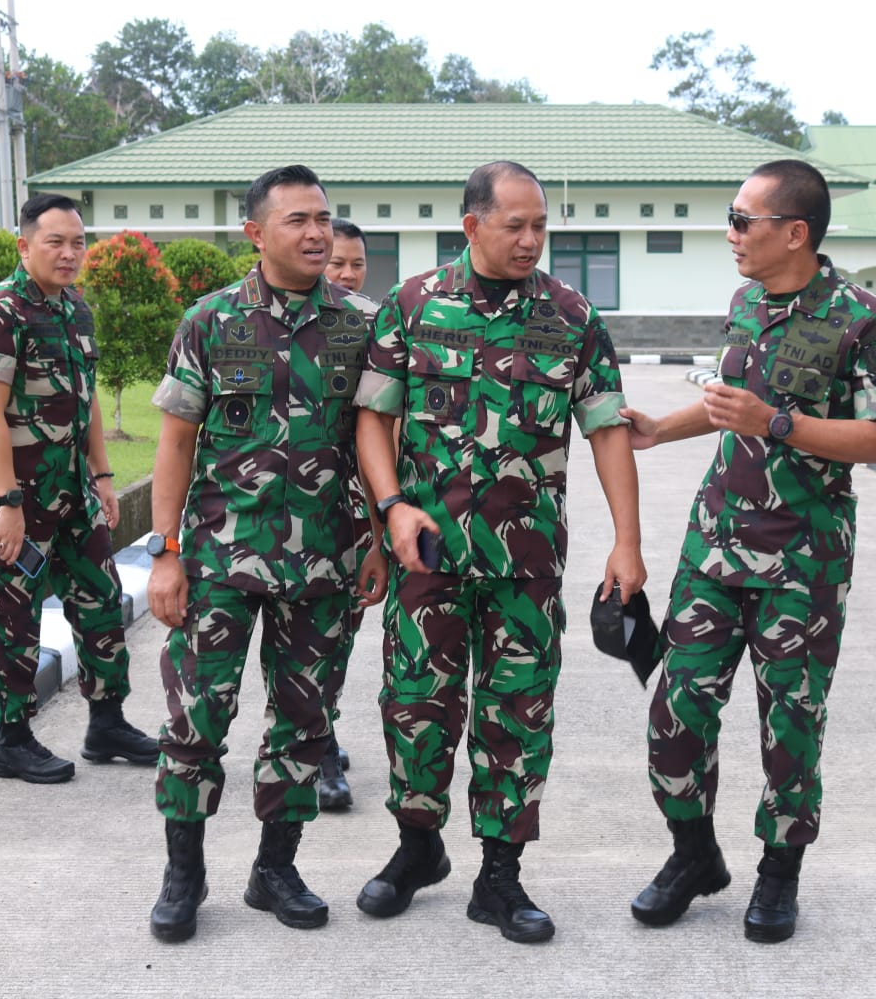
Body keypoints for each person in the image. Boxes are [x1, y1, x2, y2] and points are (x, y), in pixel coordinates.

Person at [352, 160, 646, 944]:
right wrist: (391, 505)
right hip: (428, 556)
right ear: (472, 224)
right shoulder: (411, 306)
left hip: (527, 560)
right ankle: (417, 850)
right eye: (515, 224)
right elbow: (372, 420)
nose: (531, 240)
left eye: (541, 225)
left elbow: (608, 428)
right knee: (416, 706)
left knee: (516, 712)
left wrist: (628, 541)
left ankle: (500, 875)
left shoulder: (571, 315)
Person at [620, 160, 876, 943]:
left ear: (795, 232)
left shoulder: (864, 318)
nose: (731, 234)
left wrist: (777, 423)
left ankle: (779, 873)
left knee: (791, 725)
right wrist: (659, 430)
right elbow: (728, 409)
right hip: (714, 546)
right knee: (675, 706)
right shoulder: (747, 301)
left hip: (802, 561)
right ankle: (693, 854)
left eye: (743, 220)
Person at [145, 165, 384, 943]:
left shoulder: (362, 325)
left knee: (306, 724)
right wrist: (166, 551)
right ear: (255, 233)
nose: (317, 233)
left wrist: (376, 540)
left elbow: (380, 441)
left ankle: (275, 868)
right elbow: (176, 440)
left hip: (325, 563)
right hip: (219, 561)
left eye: (323, 218)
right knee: (196, 719)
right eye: (297, 221)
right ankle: (185, 872)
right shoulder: (210, 323)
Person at [0, 193, 158, 785]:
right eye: (56, 242)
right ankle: (13, 741)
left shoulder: (75, 310)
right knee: (14, 615)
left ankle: (107, 722)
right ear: (25, 246)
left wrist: (101, 477)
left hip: (73, 491)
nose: (70, 254)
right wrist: (9, 504)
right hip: (18, 499)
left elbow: (88, 399)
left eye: (78, 242)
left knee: (101, 599)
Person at [313, 216, 383, 812]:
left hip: (355, 511)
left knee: (341, 631)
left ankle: (320, 728)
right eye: (337, 263)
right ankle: (321, 746)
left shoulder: (373, 325)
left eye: (356, 264)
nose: (345, 273)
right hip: (286, 518)